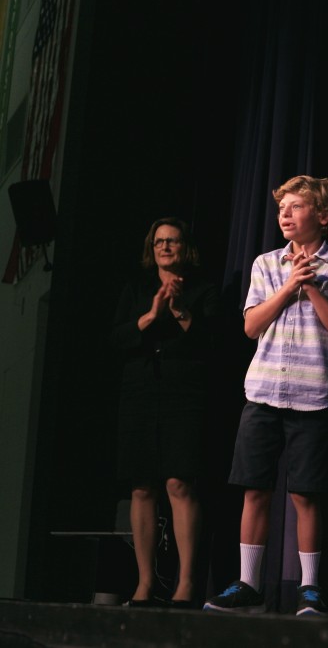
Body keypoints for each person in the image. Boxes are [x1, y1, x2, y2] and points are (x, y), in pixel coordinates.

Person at [203, 175, 328, 616]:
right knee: (255, 490)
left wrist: (311, 286)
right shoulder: (267, 264)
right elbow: (252, 327)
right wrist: (289, 284)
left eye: (295, 207)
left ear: (323, 216)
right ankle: (248, 583)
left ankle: (309, 588)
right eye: (281, 209)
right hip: (264, 392)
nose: (285, 215)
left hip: (314, 396)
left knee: (306, 495)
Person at [112, 217, 220, 608]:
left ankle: (186, 583)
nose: (165, 247)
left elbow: (213, 344)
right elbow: (117, 337)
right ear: (151, 248)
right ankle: (144, 583)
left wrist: (178, 311)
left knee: (179, 484)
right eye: (159, 241)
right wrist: (149, 315)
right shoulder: (136, 288)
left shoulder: (204, 289)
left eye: (172, 241)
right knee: (142, 486)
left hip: (183, 396)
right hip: (140, 393)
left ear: (184, 248)